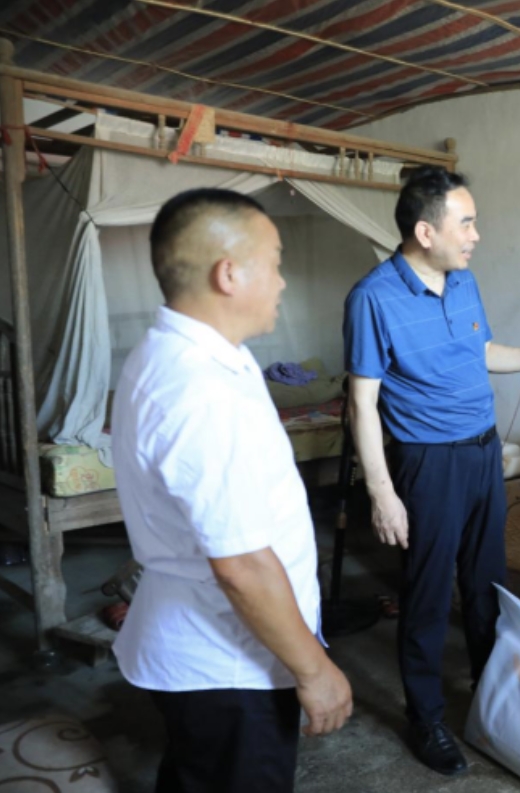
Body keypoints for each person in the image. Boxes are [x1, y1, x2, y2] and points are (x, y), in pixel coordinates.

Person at [112, 188, 353, 793]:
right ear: (229, 274)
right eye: (274, 262)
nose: (283, 281)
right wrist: (315, 669)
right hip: (227, 664)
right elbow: (241, 564)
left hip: (220, 649)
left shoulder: (206, 354)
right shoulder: (198, 390)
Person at [343, 165, 520, 776]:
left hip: (481, 451)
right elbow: (362, 403)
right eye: (466, 223)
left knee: (486, 585)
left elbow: (481, 352)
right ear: (426, 232)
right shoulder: (373, 298)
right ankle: (426, 719)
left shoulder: (463, 281)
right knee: (426, 594)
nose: (476, 235)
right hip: (427, 461)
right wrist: (382, 493)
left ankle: (491, 698)